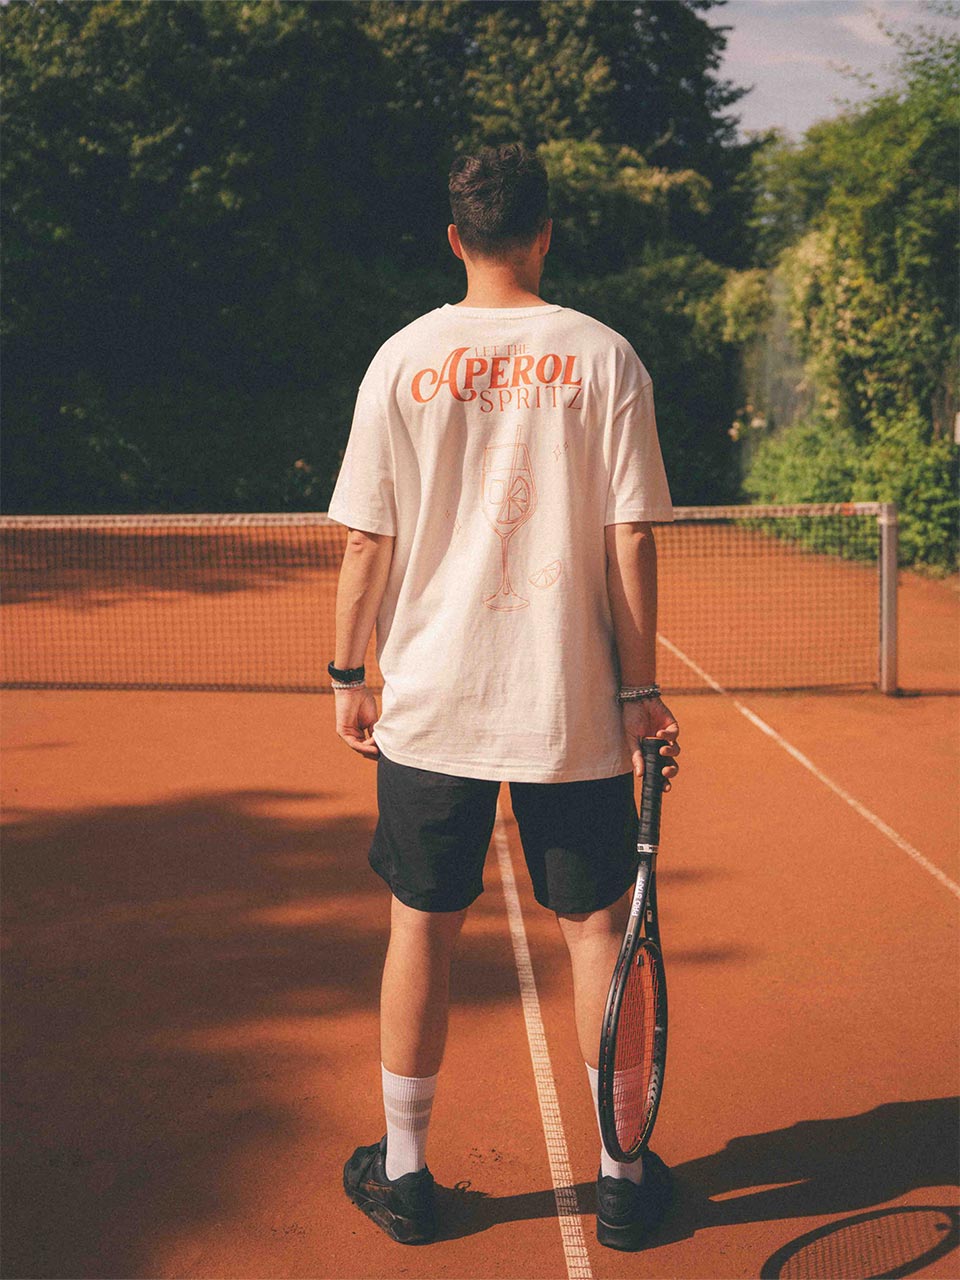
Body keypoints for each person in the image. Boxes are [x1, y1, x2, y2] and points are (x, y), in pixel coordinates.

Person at [327, 143, 680, 1252]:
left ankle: (408, 1171)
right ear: (544, 232)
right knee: (596, 930)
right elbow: (629, 538)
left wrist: (349, 674)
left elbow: (366, 541)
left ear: (454, 235)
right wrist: (639, 686)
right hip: (569, 701)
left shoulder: (401, 358)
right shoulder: (605, 356)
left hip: (430, 700)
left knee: (420, 925)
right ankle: (622, 1175)